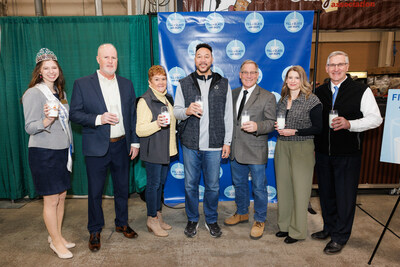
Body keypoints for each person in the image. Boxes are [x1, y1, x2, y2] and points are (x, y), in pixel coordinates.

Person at [69, 43, 140, 252]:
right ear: (98, 59)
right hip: (96, 148)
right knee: (95, 192)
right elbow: (74, 114)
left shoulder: (127, 84)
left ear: (118, 61)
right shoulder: (82, 84)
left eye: (114, 58)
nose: (111, 61)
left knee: (122, 188)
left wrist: (135, 141)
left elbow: (132, 115)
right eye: (106, 57)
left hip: (122, 145)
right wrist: (99, 118)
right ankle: (95, 229)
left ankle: (122, 223)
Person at [312, 51, 382, 254]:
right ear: (326, 68)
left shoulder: (361, 90)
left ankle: (340, 236)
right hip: (324, 153)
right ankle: (329, 228)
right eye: (332, 65)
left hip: (348, 154)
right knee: (326, 194)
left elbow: (376, 119)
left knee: (344, 196)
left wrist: (350, 124)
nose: (336, 69)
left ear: (347, 66)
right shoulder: (320, 91)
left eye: (340, 64)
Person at [174, 43, 233, 238]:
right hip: (191, 144)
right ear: (194, 59)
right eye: (199, 56)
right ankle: (192, 219)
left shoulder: (223, 83)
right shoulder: (184, 83)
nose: (203, 60)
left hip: (215, 145)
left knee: (213, 186)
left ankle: (211, 219)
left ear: (212, 59)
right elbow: (176, 111)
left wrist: (228, 142)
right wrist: (187, 111)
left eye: (206, 56)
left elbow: (228, 115)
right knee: (190, 184)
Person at [22, 48, 74, 259]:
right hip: (43, 153)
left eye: (54, 67)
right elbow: (29, 126)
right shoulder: (33, 93)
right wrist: (45, 121)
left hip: (62, 151)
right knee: (51, 199)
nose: (51, 71)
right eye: (47, 68)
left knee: (61, 196)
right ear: (40, 72)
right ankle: (55, 243)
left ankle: (57, 237)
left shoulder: (60, 94)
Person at [223, 60, 276, 240]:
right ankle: (242, 212)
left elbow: (271, 123)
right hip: (236, 149)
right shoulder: (233, 93)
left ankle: (260, 219)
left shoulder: (267, 96)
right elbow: (229, 122)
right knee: (239, 184)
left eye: (252, 72)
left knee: (259, 188)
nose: (248, 75)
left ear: (257, 74)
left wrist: (257, 126)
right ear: (239, 74)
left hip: (255, 149)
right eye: (245, 72)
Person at [274, 66, 322, 244]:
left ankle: (297, 231)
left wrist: (295, 131)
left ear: (303, 80)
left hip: (302, 147)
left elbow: (318, 128)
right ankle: (284, 226)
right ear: (286, 80)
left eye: (297, 77)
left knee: (300, 191)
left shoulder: (312, 100)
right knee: (284, 188)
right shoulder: (282, 100)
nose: (293, 80)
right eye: (290, 77)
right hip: (282, 147)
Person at [136, 65, 177, 237]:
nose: (161, 82)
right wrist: (157, 124)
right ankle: (151, 219)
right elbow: (140, 130)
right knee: (153, 186)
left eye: (163, 78)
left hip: (165, 150)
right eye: (156, 79)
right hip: (154, 150)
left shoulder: (167, 98)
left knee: (160, 184)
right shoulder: (145, 101)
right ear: (150, 82)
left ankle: (158, 215)